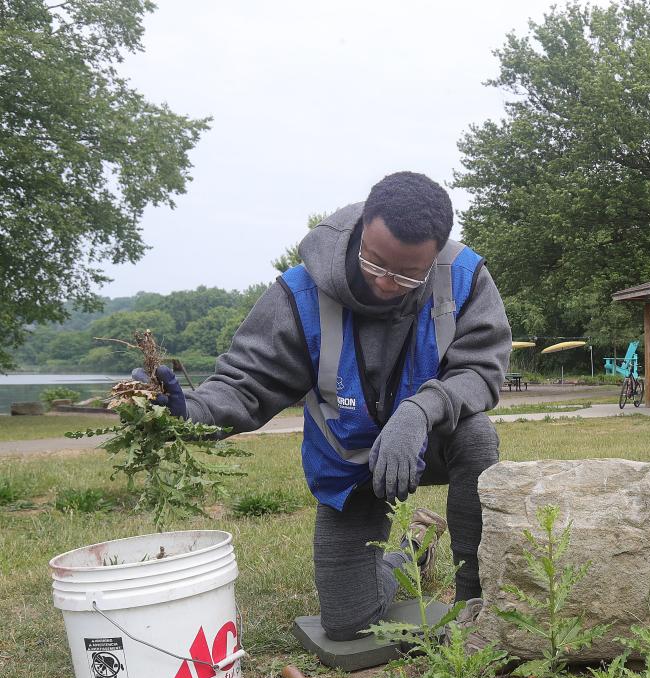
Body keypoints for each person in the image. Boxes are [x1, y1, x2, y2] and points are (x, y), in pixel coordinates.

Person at [137, 172, 511, 640]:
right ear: (360, 232)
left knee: (477, 436)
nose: (386, 284)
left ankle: (474, 597)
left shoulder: (463, 277)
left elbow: (481, 371)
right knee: (347, 624)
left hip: (427, 442)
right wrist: (187, 413)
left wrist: (418, 412)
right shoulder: (300, 294)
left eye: (406, 275)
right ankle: (412, 550)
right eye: (375, 264)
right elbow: (245, 383)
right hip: (350, 463)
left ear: (432, 256)